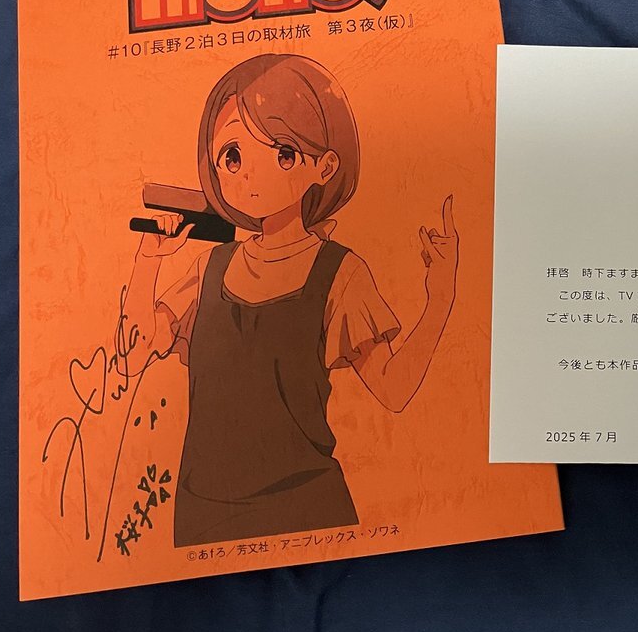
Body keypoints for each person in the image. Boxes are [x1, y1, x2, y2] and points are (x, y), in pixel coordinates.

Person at [123, 53, 458, 547]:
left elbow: (393, 389)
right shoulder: (209, 269)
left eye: (282, 152)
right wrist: (147, 260)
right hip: (203, 511)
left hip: (306, 508)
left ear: (324, 165)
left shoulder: (339, 273)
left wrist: (441, 298)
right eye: (232, 157)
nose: (250, 175)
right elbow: (133, 354)